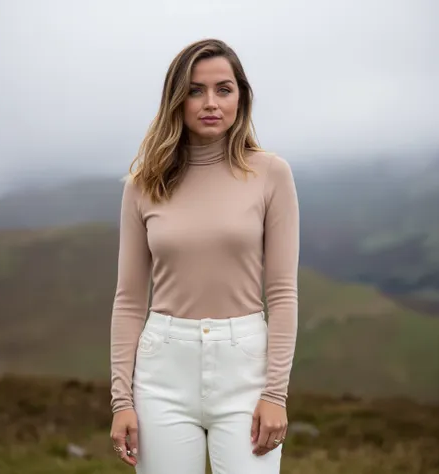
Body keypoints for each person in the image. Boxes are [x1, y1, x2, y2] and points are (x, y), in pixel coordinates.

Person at [109, 38, 300, 474]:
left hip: (246, 371)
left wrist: (274, 394)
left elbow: (283, 293)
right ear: (176, 100)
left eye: (223, 89)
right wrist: (122, 400)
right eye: (195, 90)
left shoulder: (271, 174)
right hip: (162, 373)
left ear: (241, 97)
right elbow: (129, 300)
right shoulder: (142, 185)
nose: (210, 102)